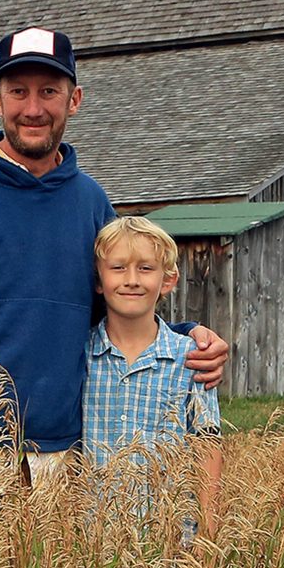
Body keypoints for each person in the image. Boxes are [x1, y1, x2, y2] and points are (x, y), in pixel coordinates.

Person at [0, 25, 226, 489]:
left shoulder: (90, 203)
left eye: (49, 92)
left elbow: (116, 303)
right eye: (18, 91)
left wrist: (183, 338)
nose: (33, 108)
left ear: (74, 99)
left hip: (64, 456)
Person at [81, 215, 223, 542]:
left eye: (146, 268)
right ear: (99, 281)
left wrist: (207, 534)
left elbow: (206, 444)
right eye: (118, 268)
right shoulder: (82, 354)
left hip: (170, 535)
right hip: (91, 536)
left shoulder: (190, 358)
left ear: (168, 280)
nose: (132, 280)